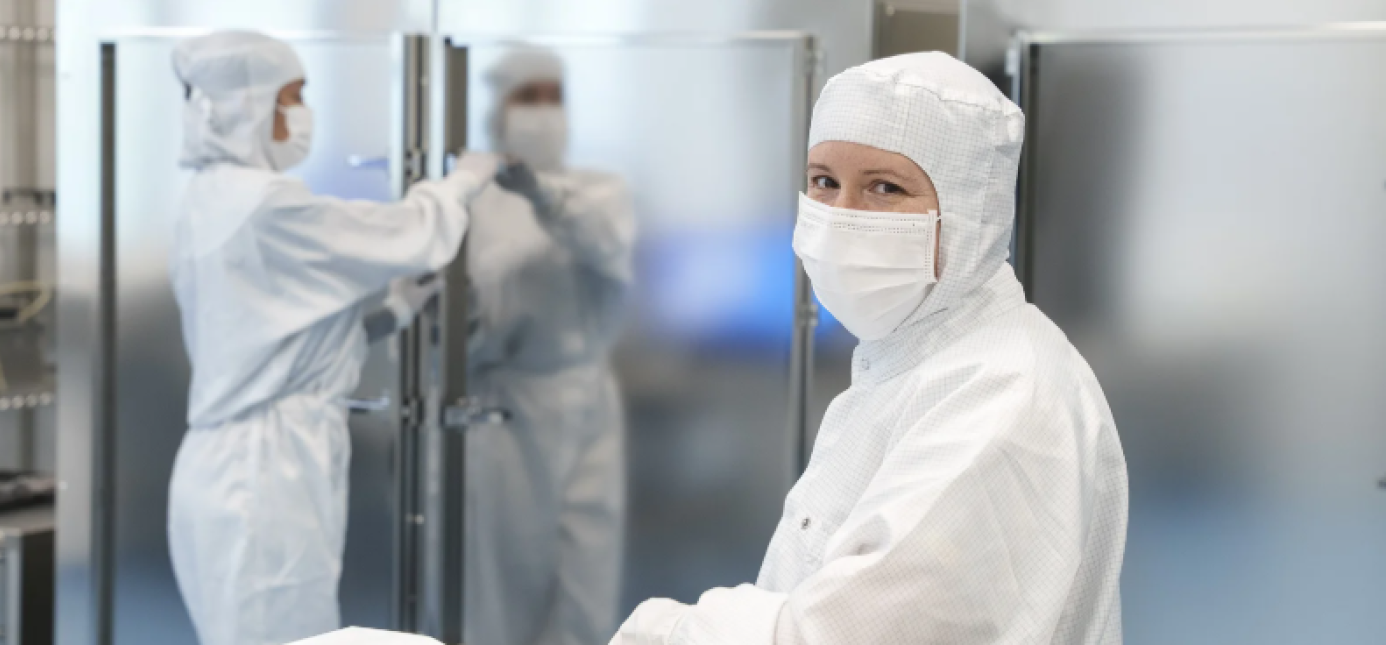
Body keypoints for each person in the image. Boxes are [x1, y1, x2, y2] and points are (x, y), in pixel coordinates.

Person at [611, 52, 1128, 644]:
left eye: (885, 187)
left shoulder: (1004, 393)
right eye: (824, 182)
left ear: (970, 215)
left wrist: (659, 631)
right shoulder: (914, 356)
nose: (841, 218)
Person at [163, 31, 498, 645]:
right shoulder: (263, 202)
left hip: (230, 467)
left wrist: (391, 313)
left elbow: (269, 342)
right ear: (247, 106)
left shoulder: (208, 197)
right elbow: (410, 234)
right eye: (291, 96)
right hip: (263, 478)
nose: (301, 113)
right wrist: (463, 183)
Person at [462, 47, 638, 645]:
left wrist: (542, 194)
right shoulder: (470, 199)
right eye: (526, 98)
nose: (541, 113)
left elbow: (603, 237)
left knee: (587, 576)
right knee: (504, 581)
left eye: (552, 98)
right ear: (496, 109)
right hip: (505, 408)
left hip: (587, 398)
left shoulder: (598, 189)